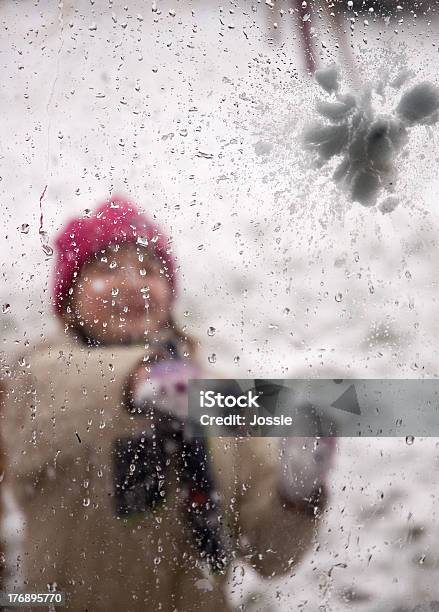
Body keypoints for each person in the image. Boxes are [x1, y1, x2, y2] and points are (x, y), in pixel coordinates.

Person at [0, 195, 335, 611]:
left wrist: (297, 492)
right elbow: (60, 394)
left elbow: (270, 556)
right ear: (69, 296)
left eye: (149, 269)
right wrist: (143, 382)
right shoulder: (32, 378)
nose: (131, 283)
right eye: (105, 269)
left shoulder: (208, 398)